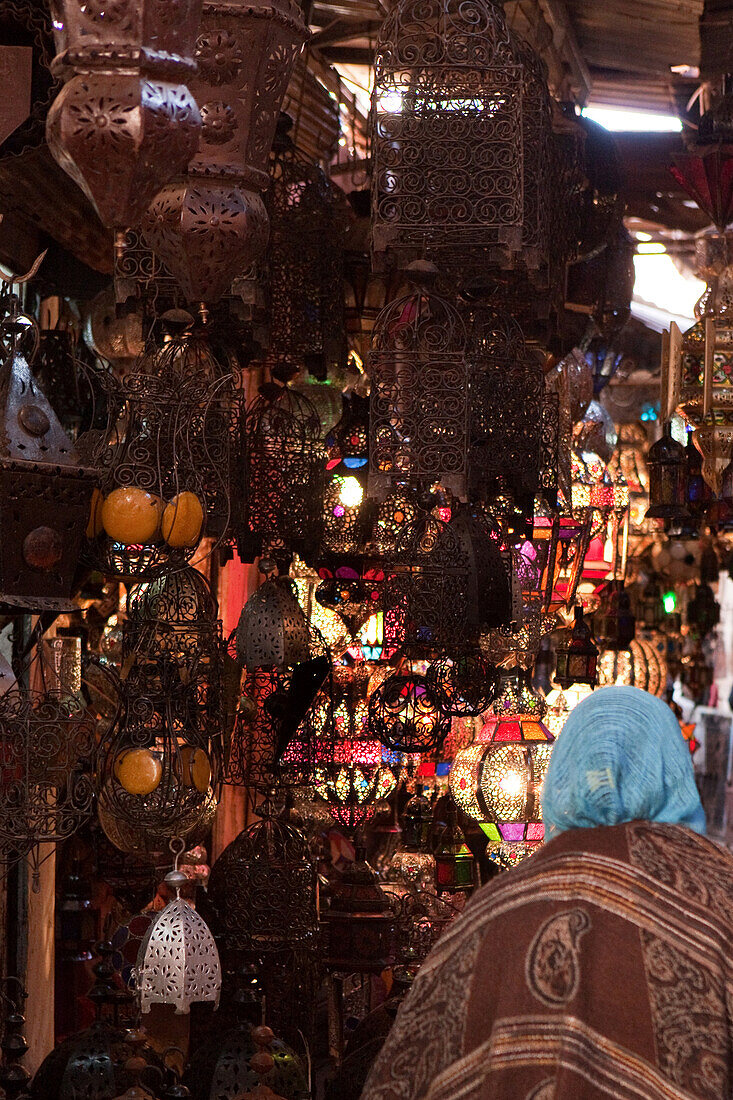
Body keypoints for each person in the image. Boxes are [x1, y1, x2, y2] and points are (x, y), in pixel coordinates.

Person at [361, 685, 733, 1100]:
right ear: (672, 769)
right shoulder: (720, 893)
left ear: (563, 775)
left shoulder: (495, 906)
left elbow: (410, 1071)